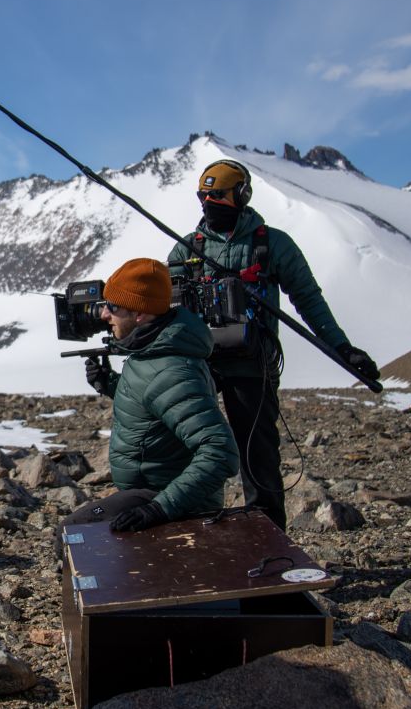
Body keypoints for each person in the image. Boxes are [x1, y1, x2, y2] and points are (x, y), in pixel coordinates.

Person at [164, 158, 378, 529]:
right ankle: (187, 535)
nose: (209, 203)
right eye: (204, 195)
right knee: (181, 447)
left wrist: (343, 349)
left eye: (218, 195)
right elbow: (164, 308)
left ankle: (271, 547)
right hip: (200, 365)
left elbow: (308, 299)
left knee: (257, 458)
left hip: (252, 367)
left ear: (241, 195)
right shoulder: (186, 250)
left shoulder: (273, 244)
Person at [66, 258, 241, 534]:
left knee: (74, 531)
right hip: (152, 492)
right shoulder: (152, 348)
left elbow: (221, 452)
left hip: (173, 499)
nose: (103, 315)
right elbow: (155, 402)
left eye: (112, 307)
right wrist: (110, 384)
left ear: (140, 314)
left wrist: (159, 509)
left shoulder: (171, 368)